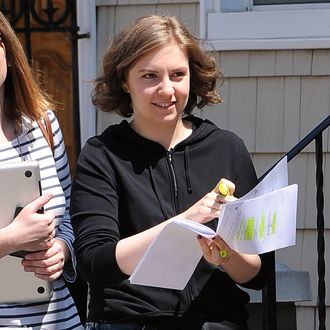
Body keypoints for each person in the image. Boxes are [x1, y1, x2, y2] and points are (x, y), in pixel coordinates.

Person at [70, 15, 272, 330]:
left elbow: (259, 275)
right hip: (130, 323)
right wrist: (186, 222)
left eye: (178, 74)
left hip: (217, 323)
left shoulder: (227, 148)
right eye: (150, 76)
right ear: (125, 81)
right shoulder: (102, 155)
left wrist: (226, 254)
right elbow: (96, 263)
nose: (167, 90)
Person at [0, 12, 83, 328]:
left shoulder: (42, 125)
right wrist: (11, 238)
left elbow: (72, 213)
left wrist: (61, 250)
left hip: (58, 318)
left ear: (7, 47)